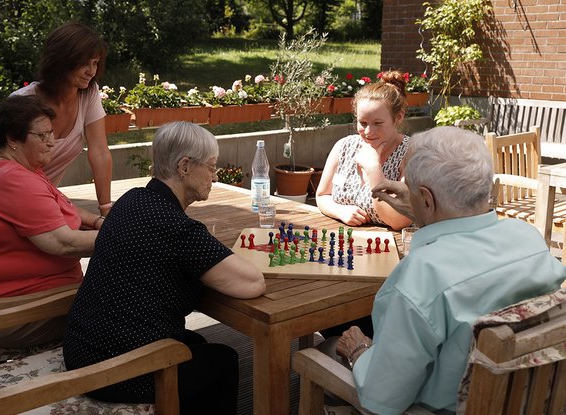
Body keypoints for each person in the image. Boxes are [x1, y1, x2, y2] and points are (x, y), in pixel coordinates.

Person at [318, 127, 566, 414]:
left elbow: (380, 401)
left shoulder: (421, 276)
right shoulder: (529, 238)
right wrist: (422, 211)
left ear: (426, 198)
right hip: (533, 400)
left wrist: (359, 350)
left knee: (330, 347)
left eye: (406, 183)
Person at [63, 121, 266, 415]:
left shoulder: (131, 200)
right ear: (184, 166)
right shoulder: (177, 228)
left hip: (84, 346)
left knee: (196, 342)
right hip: (116, 369)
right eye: (211, 167)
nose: (214, 175)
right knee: (223, 359)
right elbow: (252, 283)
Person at [0, 95, 103, 348]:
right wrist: (128, 233)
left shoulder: (14, 170)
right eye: (42, 136)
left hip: (4, 300)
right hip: (9, 311)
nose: (52, 143)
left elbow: (62, 206)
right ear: (12, 139)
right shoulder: (14, 180)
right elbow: (64, 243)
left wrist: (98, 222)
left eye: (52, 134)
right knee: (129, 299)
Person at [0, 21, 113, 217]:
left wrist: (106, 208)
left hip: (37, 194)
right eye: (85, 63)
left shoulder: (89, 94)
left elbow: (99, 151)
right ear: (62, 60)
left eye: (96, 63)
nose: (92, 71)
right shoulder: (23, 100)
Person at [316, 70, 413, 231]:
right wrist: (340, 211)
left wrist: (374, 169)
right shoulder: (344, 146)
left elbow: (399, 220)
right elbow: (322, 196)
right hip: (346, 242)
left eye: (378, 123)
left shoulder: (411, 154)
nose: (368, 132)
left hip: (397, 249)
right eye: (363, 123)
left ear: (399, 117)